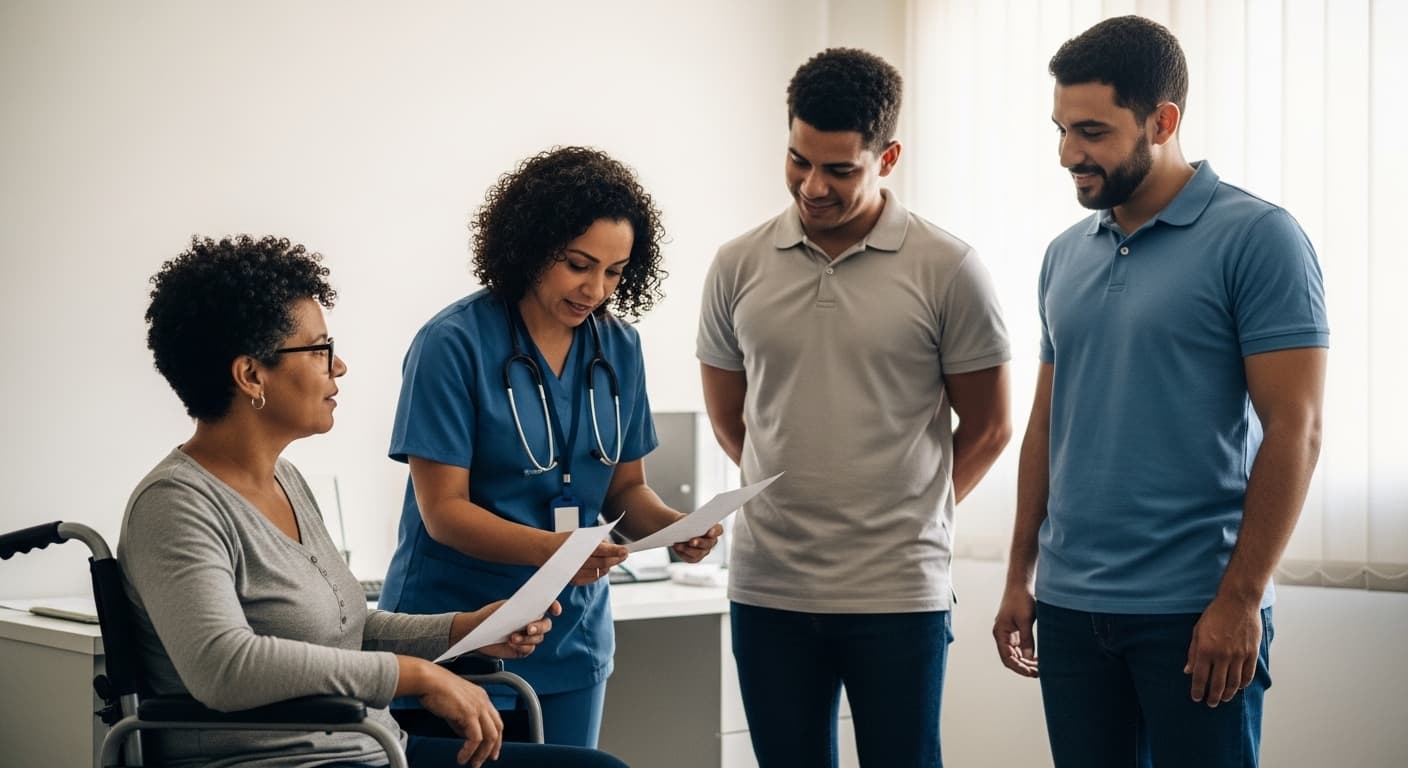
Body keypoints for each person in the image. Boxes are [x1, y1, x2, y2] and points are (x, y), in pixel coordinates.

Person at [122, 234, 628, 768]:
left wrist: (469, 628)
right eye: (319, 350)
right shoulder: (176, 506)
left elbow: (349, 632)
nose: (338, 367)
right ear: (251, 375)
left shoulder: (286, 481)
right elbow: (224, 667)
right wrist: (413, 675)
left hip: (375, 750)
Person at [992, 16, 1329, 768]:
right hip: (1071, 608)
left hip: (1195, 609)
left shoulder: (1259, 238)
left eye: (1092, 131)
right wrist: (1020, 575)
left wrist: (1241, 598)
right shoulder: (1062, 256)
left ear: (1162, 122)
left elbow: (1296, 430)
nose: (1068, 154)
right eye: (1061, 129)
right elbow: (1047, 423)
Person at [697, 48, 1013, 767]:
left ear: (887, 158)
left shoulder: (949, 268)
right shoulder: (736, 264)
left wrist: (915, 513)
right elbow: (731, 417)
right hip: (769, 587)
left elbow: (991, 427)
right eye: (798, 160)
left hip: (897, 591)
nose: (813, 186)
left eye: (839, 170)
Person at [379, 147, 722, 748]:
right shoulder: (452, 343)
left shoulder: (618, 348)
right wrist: (556, 552)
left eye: (614, 272)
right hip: (460, 634)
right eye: (578, 265)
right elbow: (444, 512)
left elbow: (625, 488)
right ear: (532, 246)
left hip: (571, 640)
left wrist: (674, 528)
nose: (595, 289)